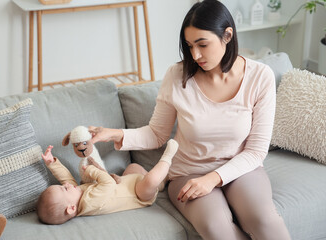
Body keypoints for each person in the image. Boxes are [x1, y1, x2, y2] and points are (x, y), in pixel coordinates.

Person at [88, 0, 291, 239]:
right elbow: (157, 134)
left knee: (264, 220)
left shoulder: (260, 77)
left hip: (242, 169)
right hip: (188, 172)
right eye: (189, 45)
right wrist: (114, 134)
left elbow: (256, 151)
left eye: (202, 44)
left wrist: (213, 179)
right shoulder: (177, 75)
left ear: (227, 36)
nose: (195, 55)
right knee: (217, 228)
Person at [37, 139, 178, 225]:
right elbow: (108, 183)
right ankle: (168, 157)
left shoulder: (78, 196)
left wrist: (52, 163)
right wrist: (91, 170)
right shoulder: (90, 202)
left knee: (133, 167)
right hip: (138, 194)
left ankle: (163, 180)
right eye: (65, 189)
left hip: (127, 181)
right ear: (71, 208)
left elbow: (66, 179)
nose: (67, 185)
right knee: (150, 180)